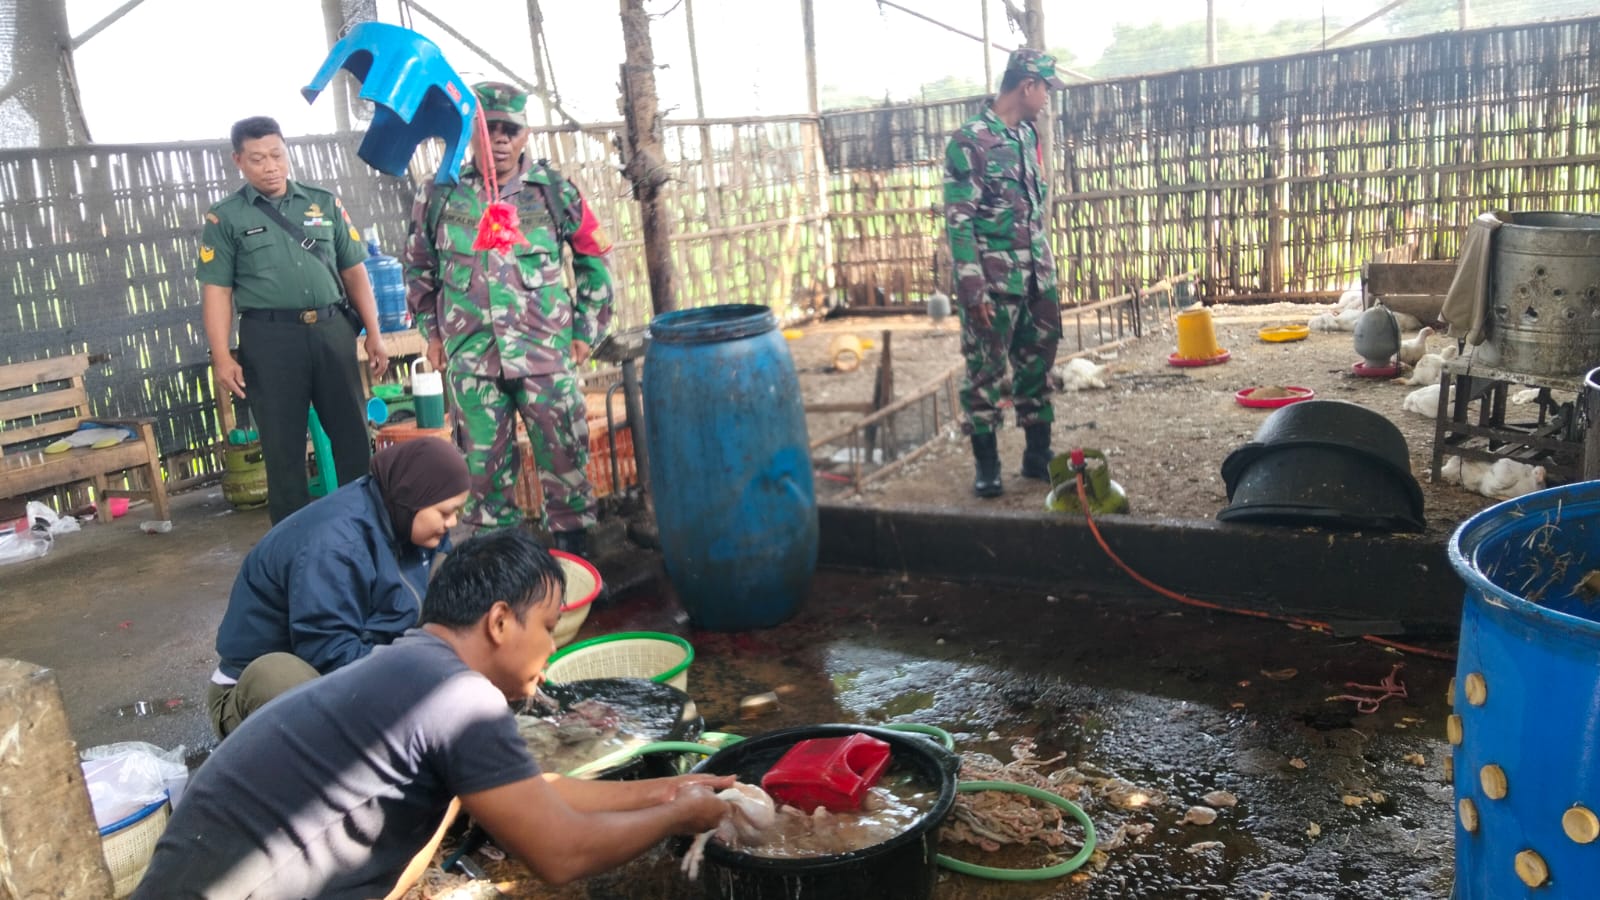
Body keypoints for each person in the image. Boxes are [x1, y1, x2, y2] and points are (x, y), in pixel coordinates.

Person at [135, 529, 734, 900]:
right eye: (549, 630)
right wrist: (677, 818)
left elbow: (538, 794)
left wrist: (670, 789)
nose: (553, 652)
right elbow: (561, 853)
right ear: (499, 622)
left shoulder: (413, 665)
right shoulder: (458, 696)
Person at [403, 82, 614, 558]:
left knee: (566, 464)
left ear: (525, 135)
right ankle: (505, 573)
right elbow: (418, 266)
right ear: (470, 132)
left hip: (545, 355)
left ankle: (575, 563)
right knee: (482, 475)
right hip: (473, 358)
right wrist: (432, 335)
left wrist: (586, 330)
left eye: (509, 130)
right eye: (486, 128)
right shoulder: (439, 195)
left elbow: (593, 255)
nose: (498, 139)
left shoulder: (554, 192)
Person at [207, 437, 469, 737]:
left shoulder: (409, 523)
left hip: (343, 674)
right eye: (446, 512)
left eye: (458, 512)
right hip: (256, 694)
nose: (452, 523)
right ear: (411, 499)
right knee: (279, 677)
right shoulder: (336, 547)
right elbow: (330, 654)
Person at [199, 115, 391, 524]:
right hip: (269, 340)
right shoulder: (226, 218)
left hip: (330, 331)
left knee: (353, 437)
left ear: (286, 153)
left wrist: (374, 333)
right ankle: (294, 542)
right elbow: (217, 291)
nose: (270, 166)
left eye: (276, 155)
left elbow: (354, 271)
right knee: (282, 447)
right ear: (238, 160)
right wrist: (221, 356)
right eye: (257, 159)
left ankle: (363, 528)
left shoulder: (322, 202)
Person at [943, 49, 1068, 498]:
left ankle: (1037, 457)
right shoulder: (970, 140)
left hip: (1037, 279)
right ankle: (988, 467)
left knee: (1038, 368)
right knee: (985, 374)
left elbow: (1032, 212)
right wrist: (973, 290)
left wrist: (1046, 275)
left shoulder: (1027, 135)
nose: (1048, 98)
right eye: (1046, 89)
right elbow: (959, 220)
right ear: (1027, 85)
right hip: (993, 285)